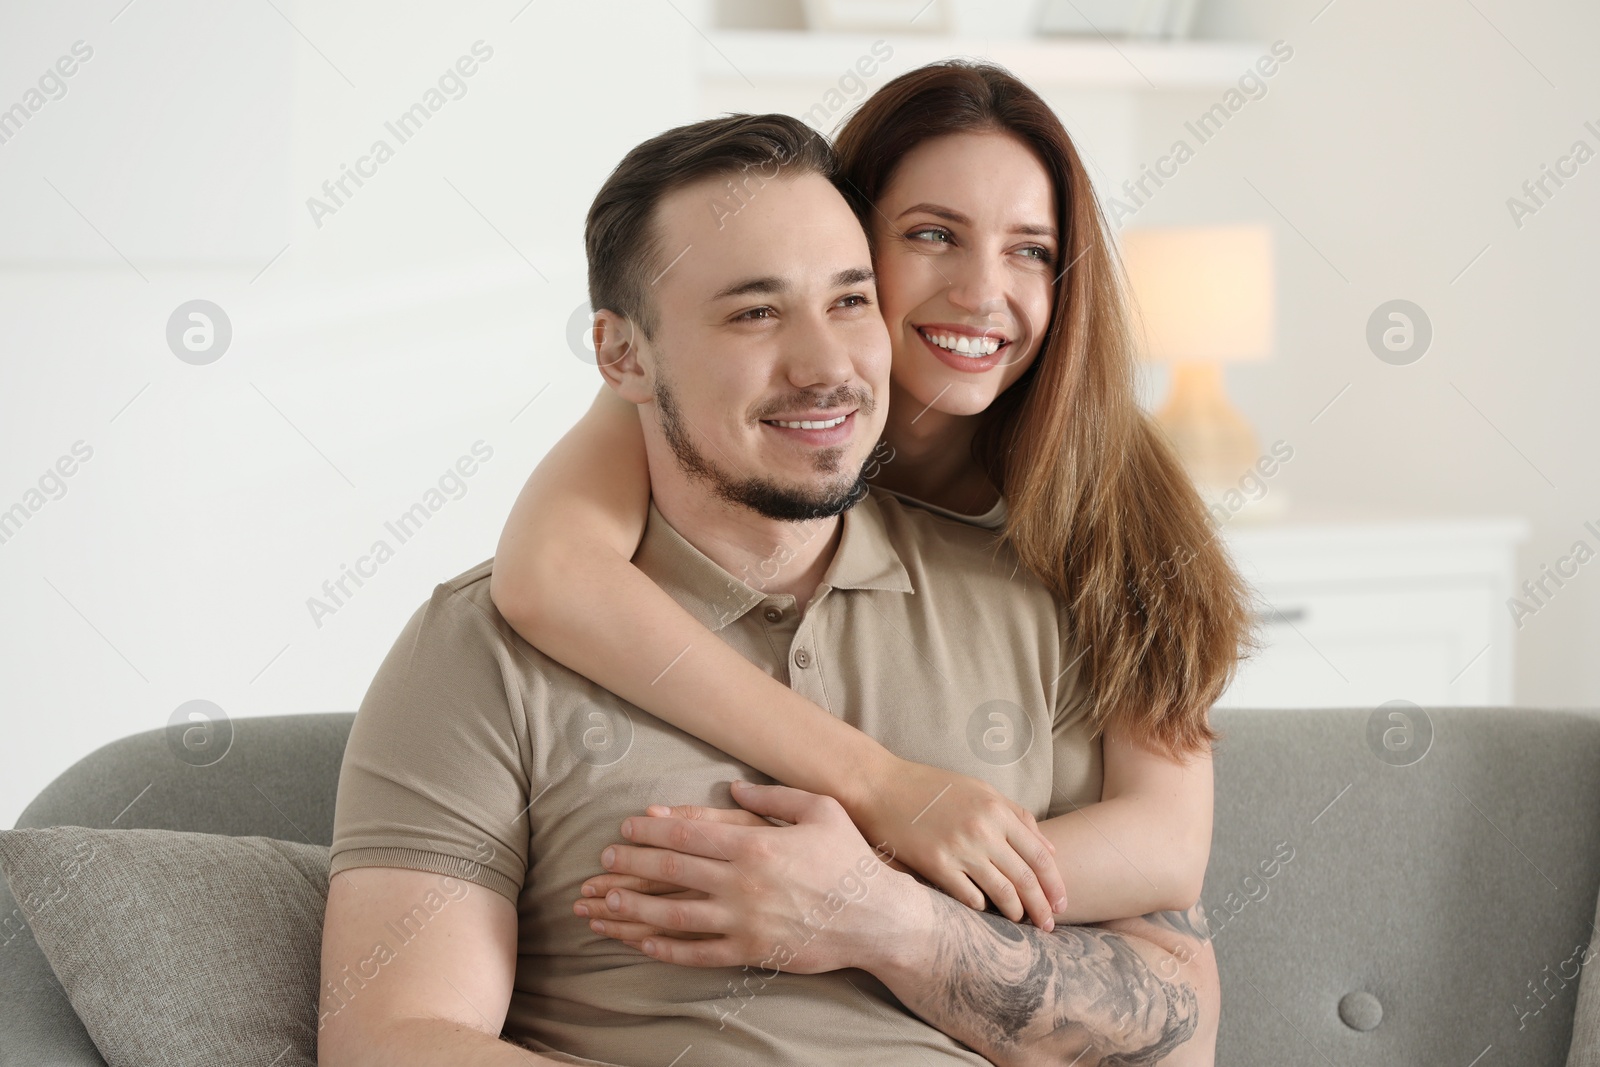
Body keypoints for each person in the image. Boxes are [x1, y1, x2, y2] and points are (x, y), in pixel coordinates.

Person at [321, 108, 1222, 1066]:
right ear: (623, 356)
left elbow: (1176, 1028)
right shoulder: (488, 645)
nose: (826, 366)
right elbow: (393, 1041)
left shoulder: (1048, 601)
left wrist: (887, 918)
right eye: (755, 311)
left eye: (848, 301)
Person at [492, 63, 1252, 943]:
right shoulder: (722, 408)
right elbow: (552, 573)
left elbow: (1161, 844)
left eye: (1030, 250)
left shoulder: (1119, 496)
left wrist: (851, 892)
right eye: (934, 234)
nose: (982, 291)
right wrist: (881, 785)